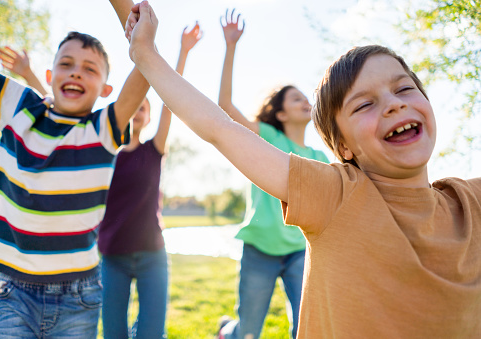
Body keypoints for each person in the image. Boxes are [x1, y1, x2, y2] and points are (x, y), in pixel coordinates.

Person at [125, 2, 481, 338]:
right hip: (261, 248)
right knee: (249, 325)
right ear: (343, 148)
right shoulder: (336, 192)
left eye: (404, 87)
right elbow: (221, 126)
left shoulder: (470, 201)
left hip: (291, 250)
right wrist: (146, 54)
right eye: (365, 104)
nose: (394, 104)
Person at [0, 26, 149, 337]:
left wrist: (137, 26)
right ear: (50, 74)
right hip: (15, 292)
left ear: (106, 89)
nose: (76, 73)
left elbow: (147, 67)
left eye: (89, 69)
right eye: (66, 64)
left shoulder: (103, 130)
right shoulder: (21, 108)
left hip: (78, 297)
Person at [216, 9, 328, 339]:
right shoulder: (266, 136)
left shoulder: (320, 156)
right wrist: (231, 46)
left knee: (304, 325)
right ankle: (228, 331)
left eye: (306, 97)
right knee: (249, 330)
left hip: (298, 250)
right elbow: (224, 105)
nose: (305, 101)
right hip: (260, 248)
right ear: (280, 112)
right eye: (296, 99)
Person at [98, 21, 202, 339]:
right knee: (114, 334)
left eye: (145, 107)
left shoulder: (153, 150)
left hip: (151, 253)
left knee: (151, 334)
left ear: (148, 117)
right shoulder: (103, 152)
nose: (138, 110)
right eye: (134, 105)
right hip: (112, 255)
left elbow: (171, 103)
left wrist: (183, 52)